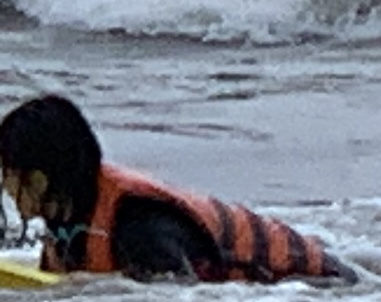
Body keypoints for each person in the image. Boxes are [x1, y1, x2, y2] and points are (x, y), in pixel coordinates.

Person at [0, 93, 350, 283]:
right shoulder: (69, 217)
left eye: (8, 173)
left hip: (317, 291)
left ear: (39, 179)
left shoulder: (138, 226)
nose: (4, 184)